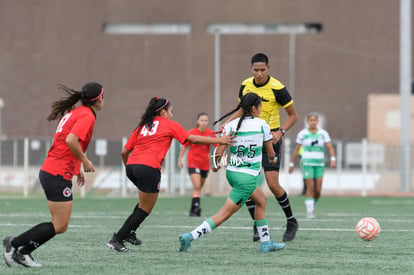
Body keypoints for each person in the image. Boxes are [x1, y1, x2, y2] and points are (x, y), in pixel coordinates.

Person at [106, 97, 234, 252]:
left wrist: (131, 168)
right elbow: (191, 138)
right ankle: (117, 239)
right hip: (148, 169)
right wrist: (220, 141)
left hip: (132, 167)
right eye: (171, 112)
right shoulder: (168, 124)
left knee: (142, 204)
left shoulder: (143, 126)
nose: (172, 115)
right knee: (144, 209)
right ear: (163, 111)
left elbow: (124, 151)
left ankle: (129, 233)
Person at [2, 82, 105, 268]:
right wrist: (85, 161)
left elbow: (64, 144)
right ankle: (14, 244)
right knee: (59, 225)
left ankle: (23, 252)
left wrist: (77, 168)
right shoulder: (87, 116)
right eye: (103, 97)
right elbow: (71, 140)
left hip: (53, 170)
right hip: (56, 173)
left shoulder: (75, 113)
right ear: (98, 99)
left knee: (60, 225)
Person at [179, 93, 285, 253]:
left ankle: (266, 242)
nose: (261, 109)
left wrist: (215, 166)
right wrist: (272, 159)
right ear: (254, 108)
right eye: (260, 106)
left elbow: (218, 153)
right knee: (223, 215)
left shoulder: (231, 125)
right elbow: (270, 153)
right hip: (247, 178)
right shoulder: (262, 125)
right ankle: (190, 236)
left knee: (261, 200)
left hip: (233, 174)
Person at [222, 53, 299, 242]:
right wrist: (227, 124)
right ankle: (257, 226)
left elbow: (293, 116)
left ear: (268, 69)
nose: (259, 73)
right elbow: (242, 109)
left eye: (262, 70)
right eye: (256, 70)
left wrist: (281, 131)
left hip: (270, 139)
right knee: (247, 183)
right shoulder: (245, 85)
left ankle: (291, 221)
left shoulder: (278, 88)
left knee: (273, 185)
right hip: (249, 140)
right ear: (251, 69)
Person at [288, 112, 336, 218]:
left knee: (318, 190)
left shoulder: (323, 133)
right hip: (307, 163)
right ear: (307, 122)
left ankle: (311, 203)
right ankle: (309, 211)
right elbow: (296, 150)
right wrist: (291, 163)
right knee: (310, 187)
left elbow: (330, 147)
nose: (313, 122)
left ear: (317, 122)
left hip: (319, 164)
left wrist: (333, 159)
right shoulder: (302, 134)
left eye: (315, 120)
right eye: (311, 120)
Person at [177, 113, 217, 217]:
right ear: (197, 121)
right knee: (197, 186)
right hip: (193, 163)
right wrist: (180, 159)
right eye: (202, 120)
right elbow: (184, 146)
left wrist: (218, 161)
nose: (204, 123)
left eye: (206, 121)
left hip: (205, 164)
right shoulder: (191, 133)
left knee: (199, 188)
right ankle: (196, 208)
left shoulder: (211, 133)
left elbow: (218, 146)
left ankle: (193, 208)